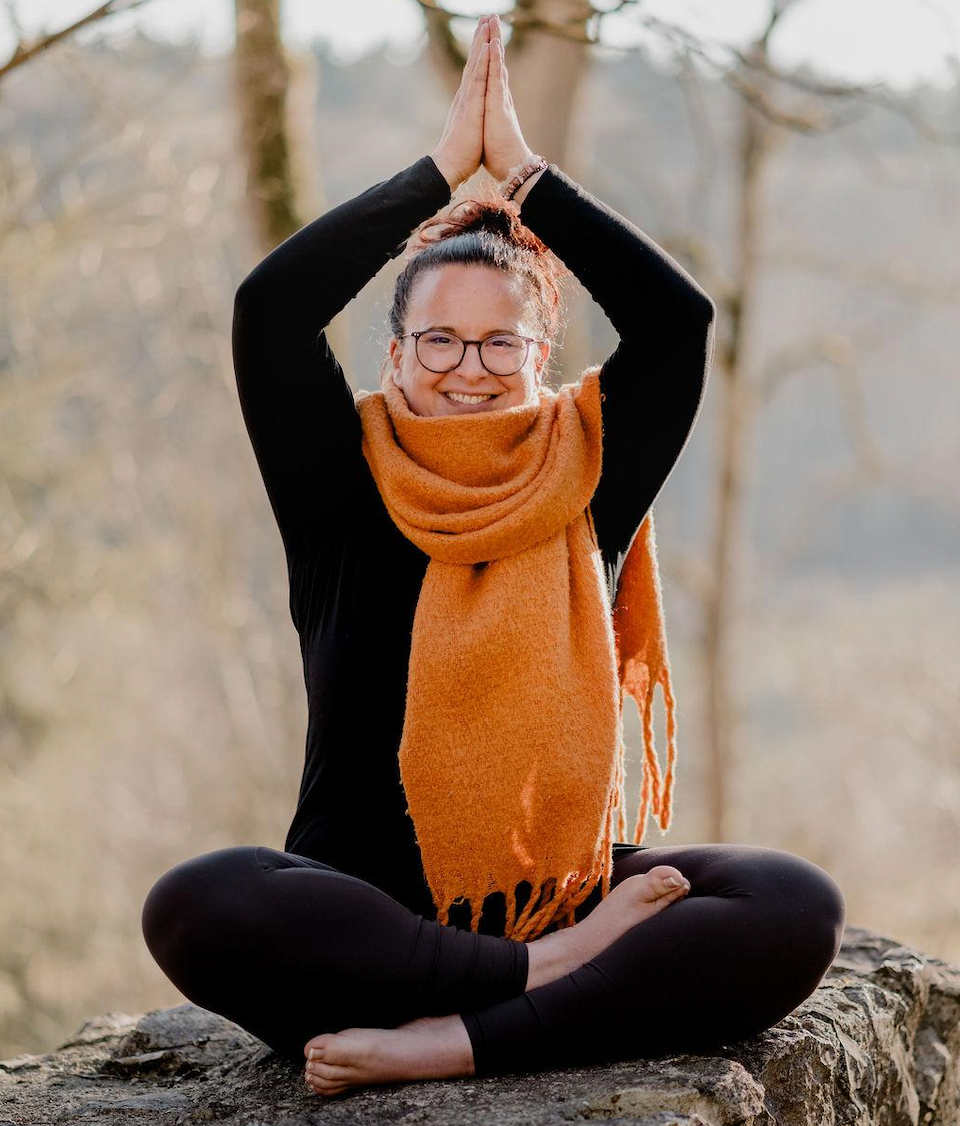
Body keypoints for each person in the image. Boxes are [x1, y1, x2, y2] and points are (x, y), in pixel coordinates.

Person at [141, 12, 845, 1100]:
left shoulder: (588, 476)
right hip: (364, 921)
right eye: (439, 338)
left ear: (540, 354)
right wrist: (438, 174)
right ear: (395, 353)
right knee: (198, 902)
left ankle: (457, 1040)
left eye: (499, 342)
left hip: (555, 890)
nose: (468, 366)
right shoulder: (340, 485)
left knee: (793, 904)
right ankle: (536, 982)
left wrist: (523, 176)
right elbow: (270, 309)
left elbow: (676, 322)